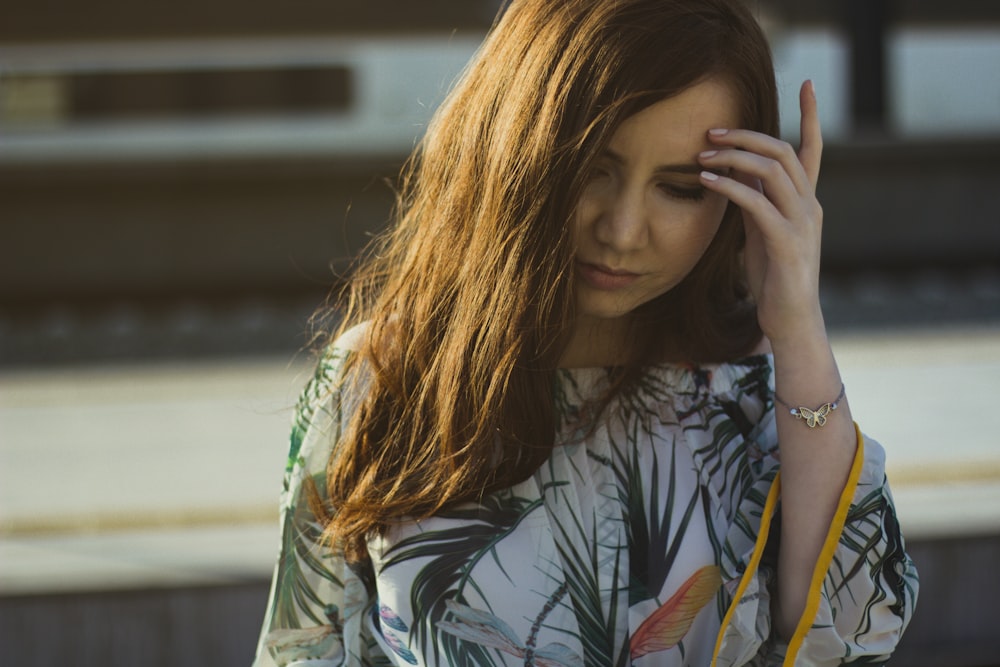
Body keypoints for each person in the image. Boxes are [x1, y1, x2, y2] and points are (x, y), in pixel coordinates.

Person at [252, 0, 919, 664]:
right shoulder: (378, 380)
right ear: (517, 148)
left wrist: (797, 327)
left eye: (681, 187)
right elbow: (301, 649)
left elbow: (856, 634)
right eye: (592, 169)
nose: (623, 230)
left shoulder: (751, 395)